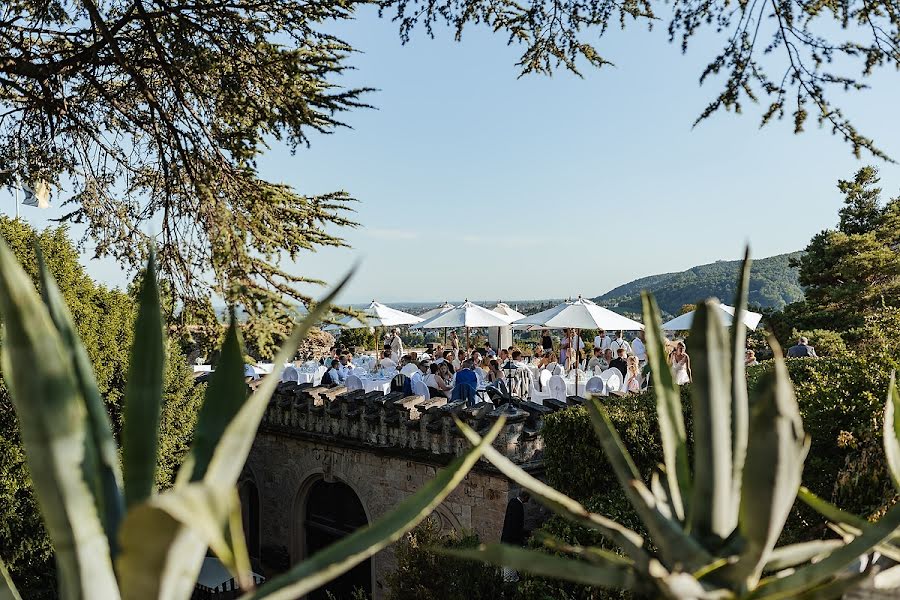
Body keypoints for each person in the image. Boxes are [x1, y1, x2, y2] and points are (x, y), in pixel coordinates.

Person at [500, 489, 531, 582]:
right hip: (511, 541)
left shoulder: (512, 502)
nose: (528, 500)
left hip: (506, 538)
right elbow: (517, 527)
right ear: (525, 497)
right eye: (528, 498)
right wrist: (527, 534)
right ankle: (509, 582)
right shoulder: (518, 507)